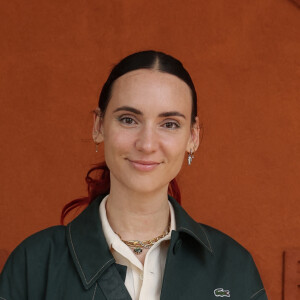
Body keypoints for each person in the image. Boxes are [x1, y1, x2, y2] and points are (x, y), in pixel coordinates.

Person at [0, 51, 268, 299]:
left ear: (193, 137)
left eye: (170, 124)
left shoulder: (234, 267)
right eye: (128, 119)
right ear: (98, 126)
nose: (147, 144)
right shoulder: (33, 264)